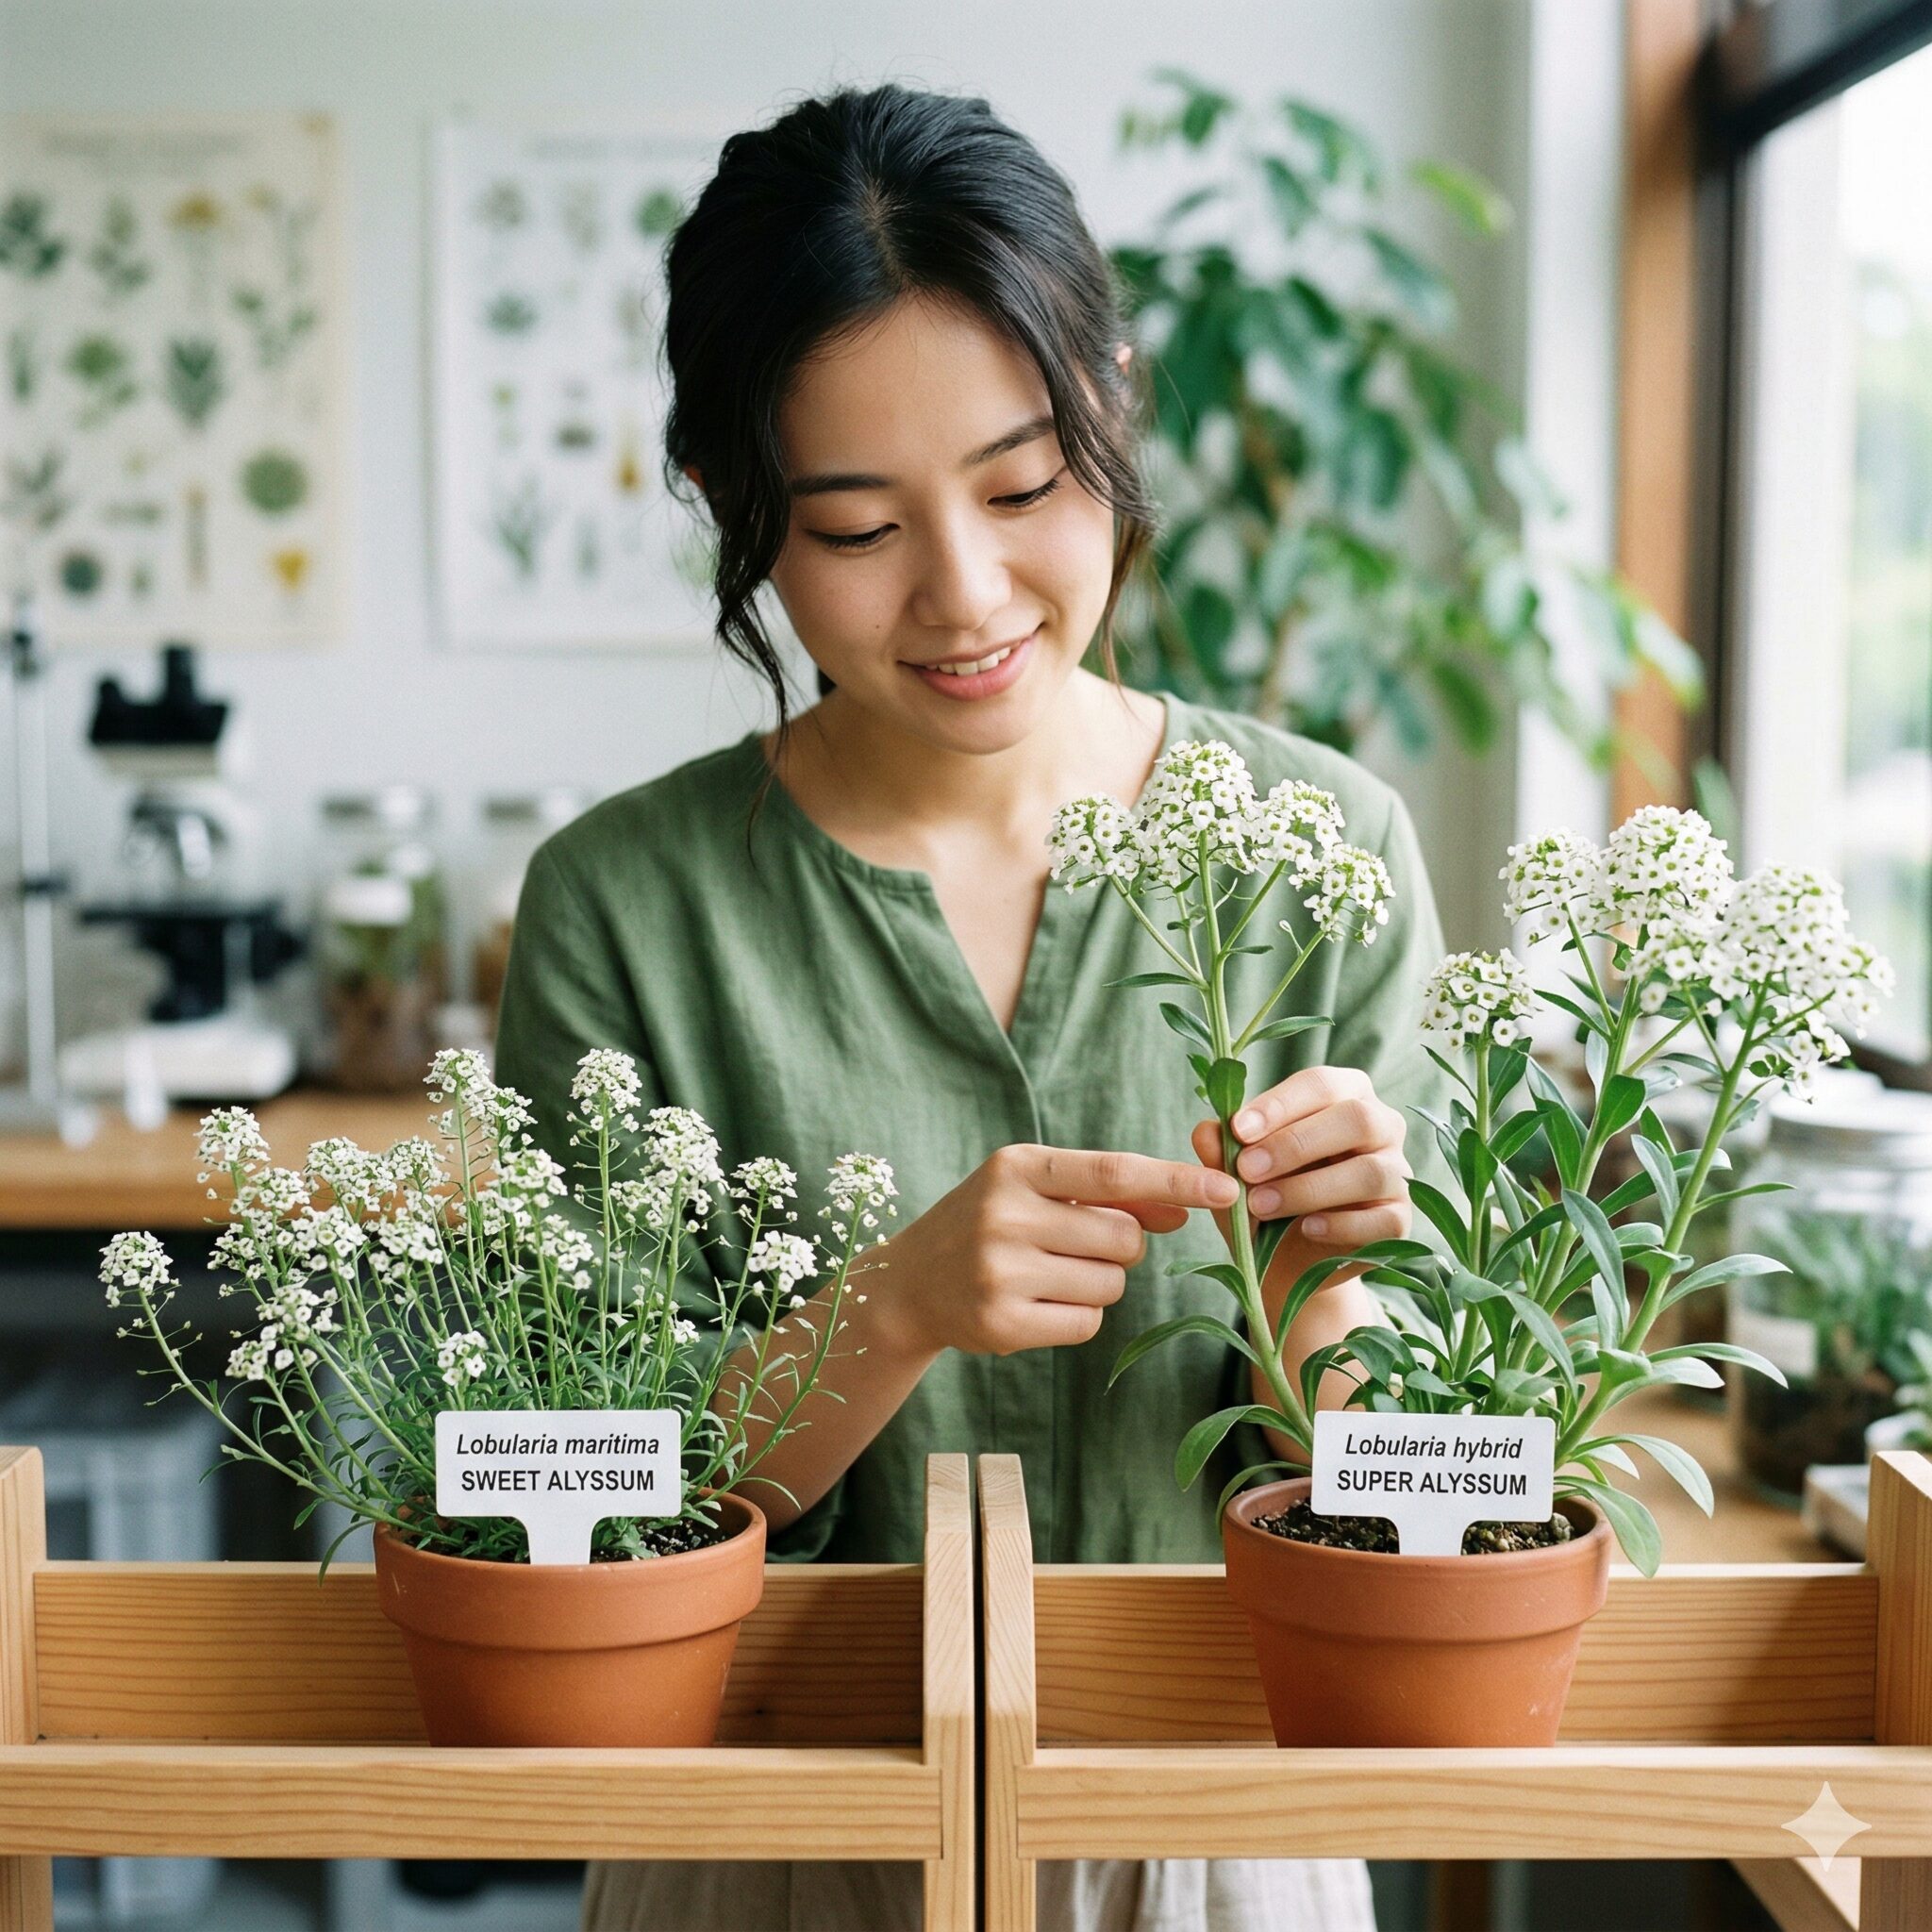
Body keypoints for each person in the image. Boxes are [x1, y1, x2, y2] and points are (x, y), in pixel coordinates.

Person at [491, 79, 1454, 1932]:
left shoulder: (1326, 846)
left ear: (1115, 402)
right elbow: (573, 1503)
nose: (966, 593)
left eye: (1024, 489)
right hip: (763, 1837)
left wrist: (1327, 1292)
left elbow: (1412, 1505)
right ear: (732, 508)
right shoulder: (624, 904)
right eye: (857, 528)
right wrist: (893, 1308)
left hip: (1215, 1831)